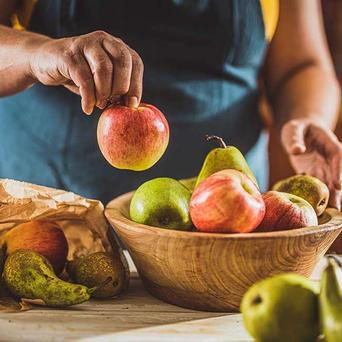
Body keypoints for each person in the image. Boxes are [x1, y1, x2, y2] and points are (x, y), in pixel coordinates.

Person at [0, 0, 341, 209]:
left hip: (224, 231)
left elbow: (302, 65)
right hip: (55, 216)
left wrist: (308, 118)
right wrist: (34, 52)